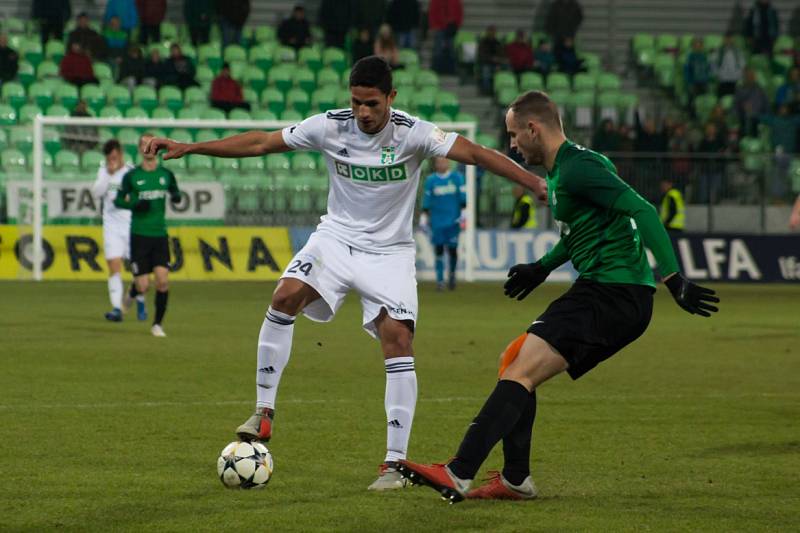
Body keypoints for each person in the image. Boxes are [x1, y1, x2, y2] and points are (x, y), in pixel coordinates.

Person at [144, 56, 548, 491]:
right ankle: (263, 413)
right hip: (335, 239)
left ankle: (394, 464)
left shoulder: (414, 133)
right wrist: (190, 147)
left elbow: (477, 153)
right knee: (284, 295)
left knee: (398, 339)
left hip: (389, 253)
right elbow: (261, 142)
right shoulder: (329, 126)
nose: (363, 113)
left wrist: (535, 183)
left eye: (372, 103)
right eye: (356, 103)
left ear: (391, 98)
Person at [396, 90, 719, 502]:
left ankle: (459, 472)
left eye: (514, 135)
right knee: (513, 361)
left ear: (534, 129)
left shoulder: (579, 168)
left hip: (615, 294)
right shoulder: (561, 170)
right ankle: (516, 480)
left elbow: (644, 210)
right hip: (601, 289)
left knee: (520, 370)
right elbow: (581, 231)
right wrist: (542, 267)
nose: (512, 145)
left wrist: (674, 280)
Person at [114, 133, 181, 338]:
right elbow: (118, 200)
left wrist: (177, 197)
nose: (149, 148)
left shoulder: (166, 174)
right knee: (143, 285)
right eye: (144, 144)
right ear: (140, 149)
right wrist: (134, 204)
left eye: (152, 144)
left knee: (162, 281)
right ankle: (131, 293)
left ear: (157, 149)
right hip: (139, 235)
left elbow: (175, 192)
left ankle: (157, 325)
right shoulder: (131, 176)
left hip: (159, 235)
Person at [92, 139, 141, 322]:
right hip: (111, 226)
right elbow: (96, 193)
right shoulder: (103, 172)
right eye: (109, 158)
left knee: (140, 272)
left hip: (131, 225)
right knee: (114, 266)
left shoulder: (131, 171)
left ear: (120, 154)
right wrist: (108, 175)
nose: (113, 160)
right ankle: (116, 309)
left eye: (115, 157)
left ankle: (134, 297)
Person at [420, 157, 466, 291]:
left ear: (449, 163)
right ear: (435, 164)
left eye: (444, 161)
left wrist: (464, 215)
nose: (442, 164)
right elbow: (426, 200)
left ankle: (452, 275)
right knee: (439, 250)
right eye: (439, 162)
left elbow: (463, 198)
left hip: (453, 220)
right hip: (437, 222)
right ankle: (440, 280)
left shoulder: (457, 178)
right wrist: (424, 217)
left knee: (452, 250)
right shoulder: (431, 180)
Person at [428, 0, 462, 74]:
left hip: (450, 28)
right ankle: (437, 68)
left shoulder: (455, 1)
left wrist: (456, 25)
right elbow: (432, 13)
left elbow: (459, 13)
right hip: (440, 27)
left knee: (451, 49)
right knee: (438, 49)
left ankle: (451, 69)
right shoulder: (435, 1)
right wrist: (434, 25)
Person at [735, 68, 769, 136]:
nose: (750, 78)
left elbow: (766, 105)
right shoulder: (740, 90)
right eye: (748, 76)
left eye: (752, 76)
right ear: (745, 78)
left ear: (755, 77)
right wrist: (742, 107)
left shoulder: (760, 90)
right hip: (743, 117)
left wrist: (765, 117)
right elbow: (735, 106)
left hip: (758, 118)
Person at [684, 37, 711, 116]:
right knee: (693, 101)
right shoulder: (690, 57)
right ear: (693, 47)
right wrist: (689, 82)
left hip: (704, 82)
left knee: (703, 100)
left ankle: (702, 115)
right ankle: (692, 115)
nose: (698, 47)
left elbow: (709, 69)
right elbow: (687, 70)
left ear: (702, 46)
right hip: (693, 82)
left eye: (699, 45)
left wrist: (708, 79)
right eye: (696, 45)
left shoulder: (705, 57)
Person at [713, 33, 744, 98]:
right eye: (726, 39)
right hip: (722, 79)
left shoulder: (737, 51)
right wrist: (716, 74)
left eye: (730, 39)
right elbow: (713, 64)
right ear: (723, 40)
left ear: (733, 40)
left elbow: (742, 64)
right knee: (722, 99)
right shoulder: (718, 51)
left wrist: (739, 75)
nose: (728, 41)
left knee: (734, 99)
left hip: (734, 79)